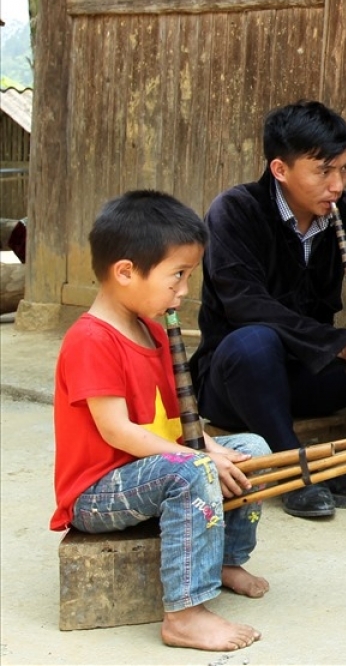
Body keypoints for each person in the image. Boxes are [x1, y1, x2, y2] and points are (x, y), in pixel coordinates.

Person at [191, 100, 346, 519]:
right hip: (238, 385)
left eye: (344, 168)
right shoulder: (236, 211)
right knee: (254, 340)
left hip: (312, 376)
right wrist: (344, 344)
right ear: (280, 170)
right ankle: (294, 469)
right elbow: (247, 305)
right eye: (323, 171)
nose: (337, 184)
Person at [52, 190, 268, 652]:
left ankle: (226, 559)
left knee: (252, 451)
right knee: (193, 469)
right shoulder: (91, 339)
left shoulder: (152, 328)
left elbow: (177, 419)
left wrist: (207, 444)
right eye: (178, 276)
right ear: (126, 271)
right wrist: (197, 457)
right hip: (99, 489)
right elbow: (116, 430)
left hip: (152, 470)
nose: (185, 291)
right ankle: (185, 614)